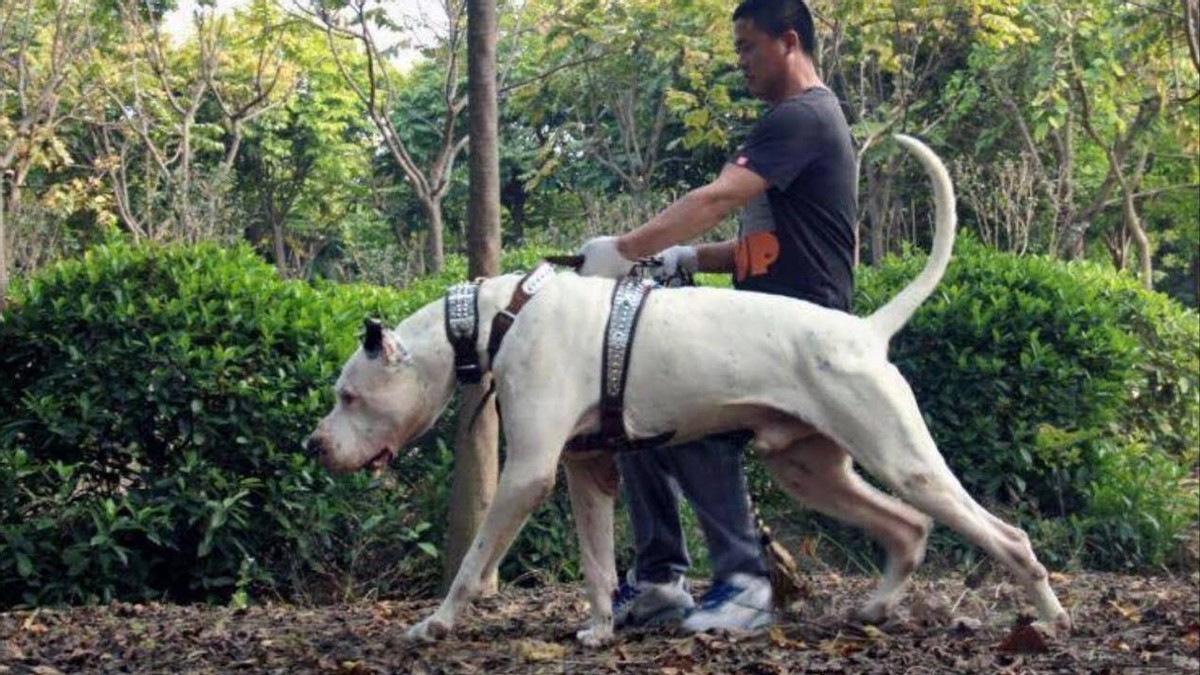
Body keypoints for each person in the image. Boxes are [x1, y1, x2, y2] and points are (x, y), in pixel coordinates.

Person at [576, 0, 857, 633]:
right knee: (636, 405)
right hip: (771, 321)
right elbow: (760, 250)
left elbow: (719, 196)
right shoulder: (797, 123)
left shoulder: (800, 117)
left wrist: (626, 250)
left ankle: (743, 584)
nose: (741, 64)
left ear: (789, 42)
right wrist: (685, 256)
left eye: (747, 48)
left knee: (690, 417)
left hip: (799, 331)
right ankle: (659, 581)